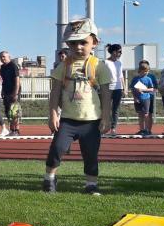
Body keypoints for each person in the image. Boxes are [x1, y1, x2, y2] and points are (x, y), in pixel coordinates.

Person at [43, 19, 113, 195]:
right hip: (67, 120)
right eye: (73, 43)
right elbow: (55, 92)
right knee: (57, 149)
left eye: (83, 42)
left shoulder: (99, 66)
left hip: (91, 121)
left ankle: (91, 184)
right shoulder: (63, 66)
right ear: (67, 44)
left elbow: (106, 94)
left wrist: (106, 117)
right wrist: (53, 114)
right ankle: (49, 179)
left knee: (90, 154)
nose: (78, 47)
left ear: (94, 43)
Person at [130, 60, 157, 135]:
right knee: (140, 114)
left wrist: (143, 89)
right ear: (140, 70)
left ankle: (147, 130)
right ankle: (141, 130)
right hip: (138, 99)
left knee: (146, 114)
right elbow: (132, 89)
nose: (146, 72)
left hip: (147, 98)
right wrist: (135, 98)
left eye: (147, 71)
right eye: (145, 71)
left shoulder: (149, 78)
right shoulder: (135, 79)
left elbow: (152, 88)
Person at [103, 44, 124, 136]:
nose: (120, 53)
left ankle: (113, 128)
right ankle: (103, 127)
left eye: (121, 52)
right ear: (113, 52)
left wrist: (124, 88)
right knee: (105, 109)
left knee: (115, 109)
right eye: (119, 51)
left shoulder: (119, 63)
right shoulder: (105, 62)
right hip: (108, 88)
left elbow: (121, 76)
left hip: (118, 88)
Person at [0, 50, 20, 136]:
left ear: (9, 57)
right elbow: (2, 81)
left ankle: (16, 130)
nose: (2, 58)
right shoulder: (2, 67)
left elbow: (17, 81)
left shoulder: (13, 66)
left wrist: (15, 93)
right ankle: (11, 130)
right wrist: (2, 91)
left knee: (14, 111)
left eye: (4, 56)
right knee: (8, 112)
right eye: (1, 57)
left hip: (13, 91)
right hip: (6, 92)